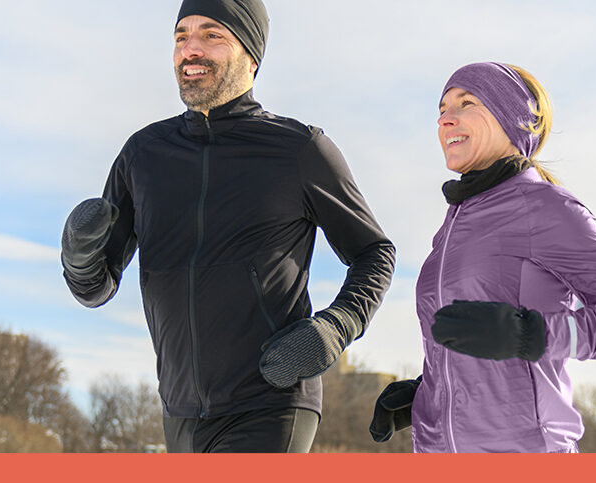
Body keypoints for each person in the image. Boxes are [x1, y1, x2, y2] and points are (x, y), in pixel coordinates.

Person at [61, 0, 395, 453]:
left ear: (252, 57)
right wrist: (80, 261)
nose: (191, 50)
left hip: (270, 399)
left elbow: (374, 252)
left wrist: (335, 328)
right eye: (182, 37)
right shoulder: (144, 155)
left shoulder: (299, 150)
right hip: (178, 409)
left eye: (212, 35)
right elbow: (97, 288)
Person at [368, 62, 596, 452]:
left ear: (511, 119)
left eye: (466, 103)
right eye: (441, 111)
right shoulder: (453, 225)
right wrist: (429, 391)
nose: (445, 120)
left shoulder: (546, 208)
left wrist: (532, 334)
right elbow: (484, 345)